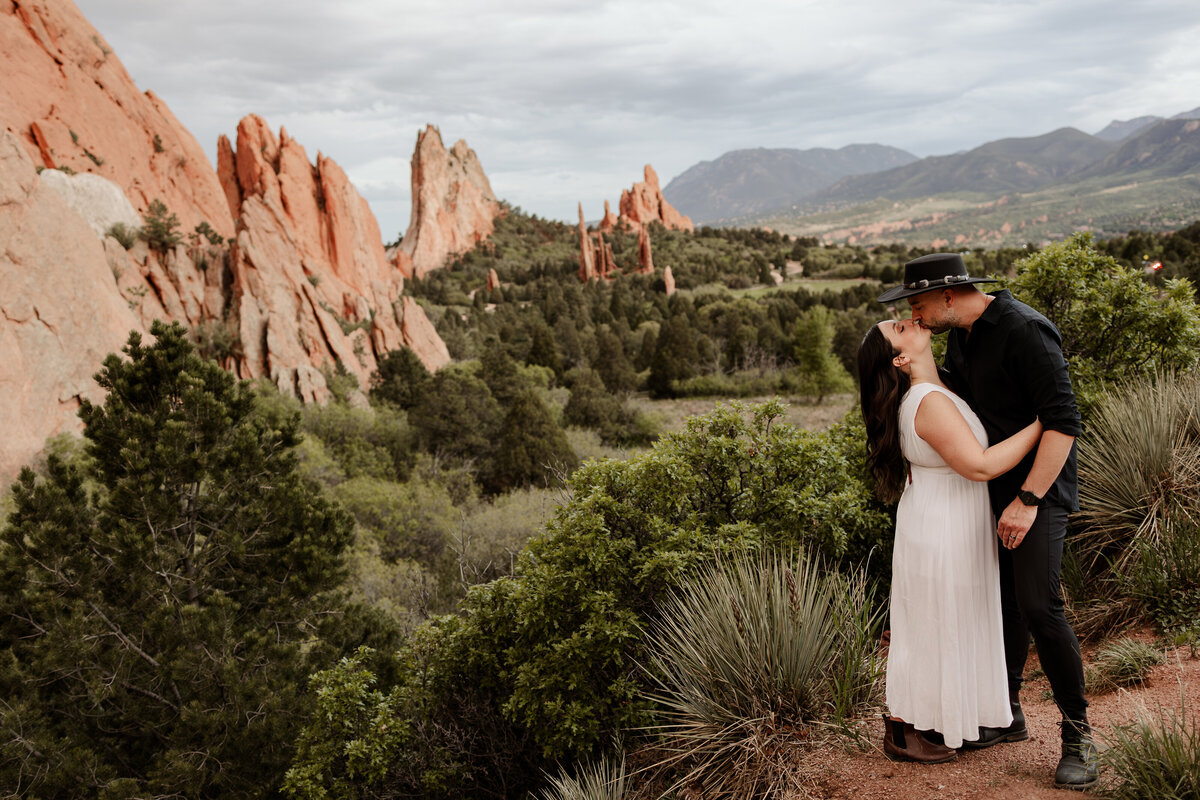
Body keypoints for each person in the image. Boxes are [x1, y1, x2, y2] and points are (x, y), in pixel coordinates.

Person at [880, 252, 1097, 789]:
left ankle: (1079, 736)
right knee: (1002, 605)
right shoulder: (963, 335)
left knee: (1038, 605)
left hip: (1036, 492)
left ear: (950, 295)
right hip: (989, 491)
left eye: (919, 303)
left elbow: (1064, 423)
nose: (916, 313)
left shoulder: (1025, 330)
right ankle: (1008, 713)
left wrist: (1027, 499)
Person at [858, 317, 1042, 762]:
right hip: (943, 525)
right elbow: (979, 465)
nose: (913, 320)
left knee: (938, 623)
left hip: (942, 518)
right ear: (900, 359)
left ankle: (928, 724)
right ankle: (905, 731)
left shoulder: (936, 391)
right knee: (938, 624)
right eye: (901, 327)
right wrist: (1043, 424)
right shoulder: (927, 400)